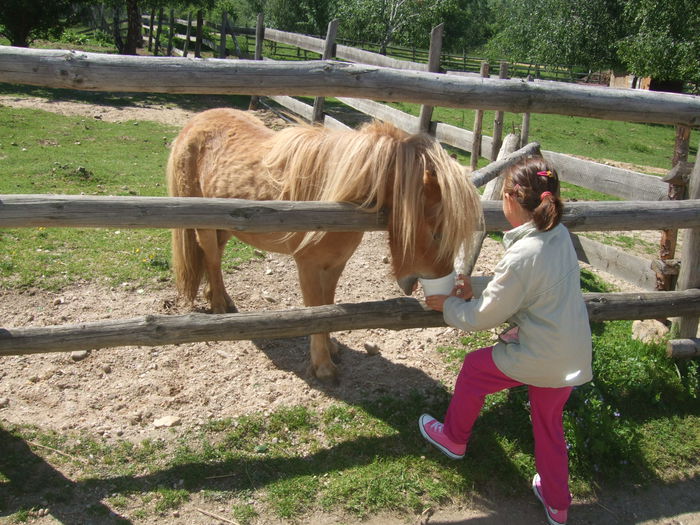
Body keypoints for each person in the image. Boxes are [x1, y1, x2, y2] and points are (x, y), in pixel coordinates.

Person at [419, 156, 592, 525]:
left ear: (511, 199)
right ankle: (558, 503)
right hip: (570, 352)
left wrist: (449, 304)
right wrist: (476, 286)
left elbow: (485, 316)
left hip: (538, 354)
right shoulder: (557, 235)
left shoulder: (523, 253)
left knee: (474, 369)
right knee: (549, 424)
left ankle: (453, 438)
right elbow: (523, 289)